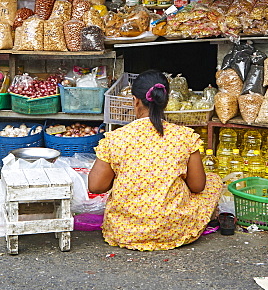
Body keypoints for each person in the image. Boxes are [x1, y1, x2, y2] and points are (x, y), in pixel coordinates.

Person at [88, 70, 222, 250]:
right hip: (173, 229)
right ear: (165, 102)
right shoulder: (185, 137)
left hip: (125, 231)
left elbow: (96, 186)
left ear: (135, 101)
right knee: (214, 181)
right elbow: (198, 186)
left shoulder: (115, 139)